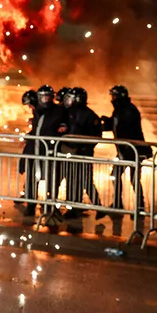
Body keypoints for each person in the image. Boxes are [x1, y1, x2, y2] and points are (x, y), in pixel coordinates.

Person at [100, 85, 150, 213]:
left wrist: (110, 123)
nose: (112, 99)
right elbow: (115, 125)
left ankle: (140, 206)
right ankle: (118, 203)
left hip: (133, 151)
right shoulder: (119, 110)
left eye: (113, 96)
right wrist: (106, 122)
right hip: (124, 151)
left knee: (134, 179)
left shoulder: (129, 110)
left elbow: (124, 128)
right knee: (115, 175)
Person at [62, 87, 104, 217]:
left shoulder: (88, 115)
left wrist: (83, 147)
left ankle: (96, 207)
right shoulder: (70, 112)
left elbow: (96, 136)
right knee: (73, 179)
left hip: (83, 153)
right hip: (73, 151)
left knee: (83, 180)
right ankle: (76, 206)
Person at [18, 90, 40, 216]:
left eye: (30, 105)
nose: (29, 107)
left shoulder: (40, 112)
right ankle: (28, 195)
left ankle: (32, 202)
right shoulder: (37, 112)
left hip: (38, 149)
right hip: (33, 147)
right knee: (30, 172)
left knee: (33, 174)